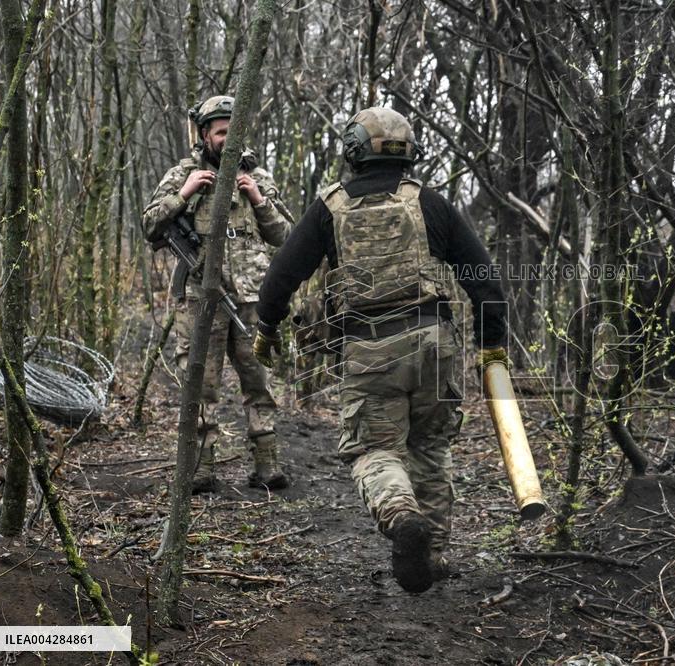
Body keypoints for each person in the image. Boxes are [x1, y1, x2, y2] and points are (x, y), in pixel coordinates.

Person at [252, 107, 508, 593]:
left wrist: (266, 327)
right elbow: (484, 280)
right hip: (435, 345)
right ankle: (430, 555)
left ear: (353, 151)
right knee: (431, 446)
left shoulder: (330, 209)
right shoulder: (431, 204)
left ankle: (400, 516)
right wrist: (492, 345)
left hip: (369, 349)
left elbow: (281, 276)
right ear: (409, 151)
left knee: (375, 449)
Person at [143, 95, 295, 493]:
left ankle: (267, 465)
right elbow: (149, 226)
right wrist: (184, 194)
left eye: (234, 131)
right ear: (206, 134)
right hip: (200, 296)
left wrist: (259, 200)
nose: (229, 139)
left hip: (250, 297)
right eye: (221, 132)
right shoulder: (184, 173)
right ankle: (201, 467)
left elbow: (284, 237)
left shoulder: (259, 177)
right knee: (199, 384)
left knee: (259, 381)